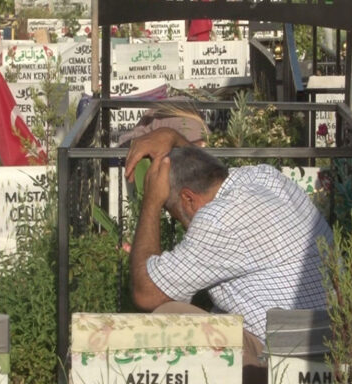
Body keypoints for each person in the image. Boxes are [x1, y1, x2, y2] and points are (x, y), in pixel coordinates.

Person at [125, 127, 333, 356]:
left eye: (174, 214)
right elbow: (204, 170)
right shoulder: (263, 177)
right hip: (330, 335)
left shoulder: (218, 219)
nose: (184, 227)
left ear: (187, 199)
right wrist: (172, 137)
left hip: (281, 354)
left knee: (168, 313)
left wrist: (152, 202)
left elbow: (147, 294)